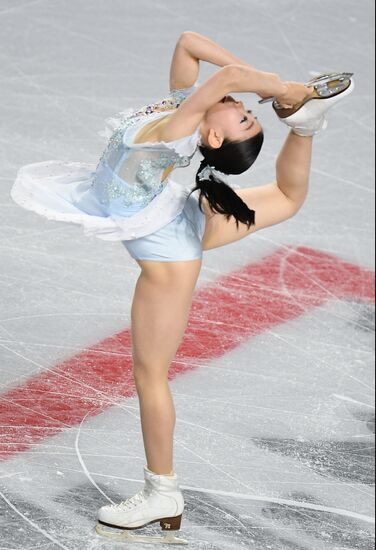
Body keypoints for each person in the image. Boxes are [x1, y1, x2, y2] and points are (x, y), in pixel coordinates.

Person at [10, 31, 354, 545]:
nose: (239, 106)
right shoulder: (183, 105)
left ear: (212, 140)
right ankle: (304, 129)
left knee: (150, 376)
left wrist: (281, 90)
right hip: (172, 215)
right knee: (286, 196)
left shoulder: (180, 125)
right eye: (245, 112)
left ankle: (162, 494)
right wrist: (286, 99)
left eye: (241, 117)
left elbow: (231, 77)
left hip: (170, 258)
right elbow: (190, 42)